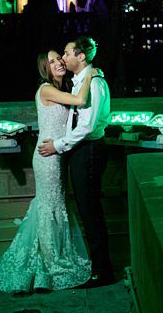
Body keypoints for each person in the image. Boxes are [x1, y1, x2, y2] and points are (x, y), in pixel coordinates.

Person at [0, 51, 98, 293]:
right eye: (52, 61)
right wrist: (91, 75)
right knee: (49, 206)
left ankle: (52, 255)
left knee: (55, 205)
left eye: (59, 59)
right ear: (44, 68)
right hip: (47, 157)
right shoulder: (46, 89)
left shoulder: (61, 88)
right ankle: (50, 261)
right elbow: (79, 100)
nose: (58, 63)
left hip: (58, 154)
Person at [39, 35, 114, 285]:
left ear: (80, 57)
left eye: (67, 53)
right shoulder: (80, 81)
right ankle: (99, 266)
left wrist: (59, 145)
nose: (63, 58)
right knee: (86, 210)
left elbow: (88, 126)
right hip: (80, 151)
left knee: (90, 211)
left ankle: (102, 271)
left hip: (88, 150)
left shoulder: (93, 83)